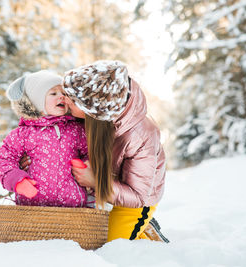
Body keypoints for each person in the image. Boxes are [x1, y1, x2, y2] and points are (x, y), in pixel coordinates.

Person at [62, 60, 168, 242]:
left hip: (134, 202)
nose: (65, 100)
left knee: (112, 245)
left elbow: (138, 196)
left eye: (73, 99)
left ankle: (144, 231)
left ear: (94, 111)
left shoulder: (141, 136)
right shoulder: (85, 119)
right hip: (101, 190)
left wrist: (97, 182)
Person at [0, 70, 89, 207]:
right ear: (37, 102)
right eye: (53, 93)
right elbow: (4, 159)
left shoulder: (76, 130)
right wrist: (17, 181)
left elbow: (90, 153)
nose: (61, 97)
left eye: (64, 93)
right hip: (32, 206)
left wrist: (85, 166)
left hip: (72, 206)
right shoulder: (24, 133)